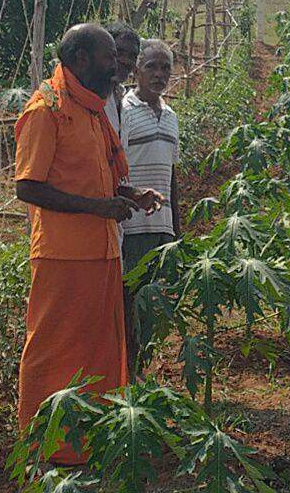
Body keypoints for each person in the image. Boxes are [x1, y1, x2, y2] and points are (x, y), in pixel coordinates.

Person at [13, 23, 162, 464]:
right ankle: (43, 443)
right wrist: (98, 209)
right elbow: (28, 187)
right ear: (80, 60)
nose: (116, 64)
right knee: (52, 349)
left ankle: (88, 439)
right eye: (107, 56)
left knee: (98, 348)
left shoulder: (94, 108)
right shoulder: (47, 110)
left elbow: (103, 175)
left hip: (101, 251)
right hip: (62, 255)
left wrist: (131, 195)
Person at [119, 39, 182, 374]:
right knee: (129, 303)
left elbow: (172, 177)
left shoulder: (171, 116)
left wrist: (177, 230)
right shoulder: (124, 112)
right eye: (151, 67)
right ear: (137, 70)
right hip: (132, 227)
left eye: (166, 68)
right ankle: (128, 373)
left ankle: (139, 371)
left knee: (151, 306)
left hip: (162, 229)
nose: (159, 74)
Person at [104, 20, 141, 137]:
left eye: (132, 56)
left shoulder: (120, 98)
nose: (126, 61)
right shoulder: (87, 95)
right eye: (118, 53)